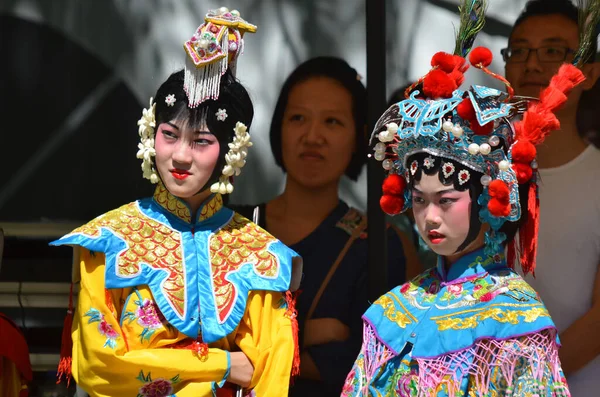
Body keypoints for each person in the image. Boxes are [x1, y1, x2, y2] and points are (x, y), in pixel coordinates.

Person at [340, 0, 591, 394]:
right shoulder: (395, 306)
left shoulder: (515, 317)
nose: (429, 217)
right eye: (419, 200)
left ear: (488, 199)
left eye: (445, 200)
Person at [50, 7, 302, 396]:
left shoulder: (259, 254)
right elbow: (99, 364)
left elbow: (270, 375)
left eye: (201, 142)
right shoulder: (108, 241)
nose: (180, 156)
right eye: (170, 135)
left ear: (230, 152)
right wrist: (224, 363)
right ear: (151, 133)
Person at [233, 56, 418, 396]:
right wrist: (312, 337)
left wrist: (250, 352)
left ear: (359, 137)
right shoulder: (233, 226)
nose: (312, 136)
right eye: (298, 118)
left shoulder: (374, 243)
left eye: (332, 122)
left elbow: (371, 362)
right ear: (278, 128)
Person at [502, 1, 600, 394]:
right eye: (520, 50)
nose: (531, 64)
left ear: (589, 74)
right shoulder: (474, 173)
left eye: (553, 51)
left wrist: (517, 385)